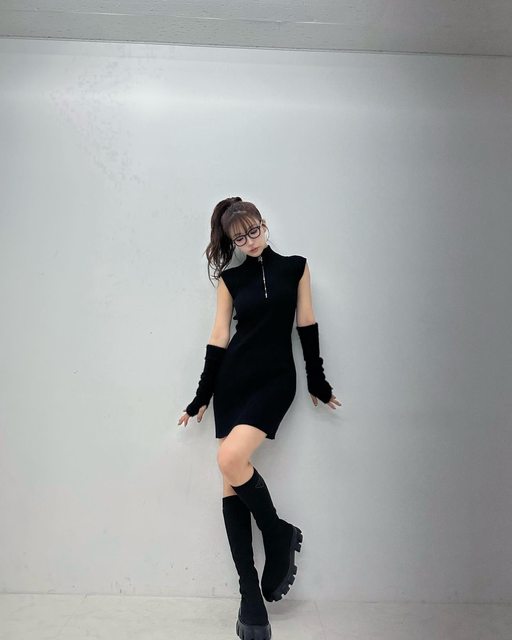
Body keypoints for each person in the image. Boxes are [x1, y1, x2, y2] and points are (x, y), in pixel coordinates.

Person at [178, 197, 341, 640]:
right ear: (231, 241)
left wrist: (317, 380)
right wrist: (201, 396)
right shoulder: (231, 280)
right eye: (240, 238)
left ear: (264, 225)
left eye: (254, 231)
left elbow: (306, 325)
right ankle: (250, 598)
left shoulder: (296, 268)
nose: (250, 241)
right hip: (233, 382)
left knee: (230, 459)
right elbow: (219, 337)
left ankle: (276, 533)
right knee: (229, 479)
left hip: (275, 381)